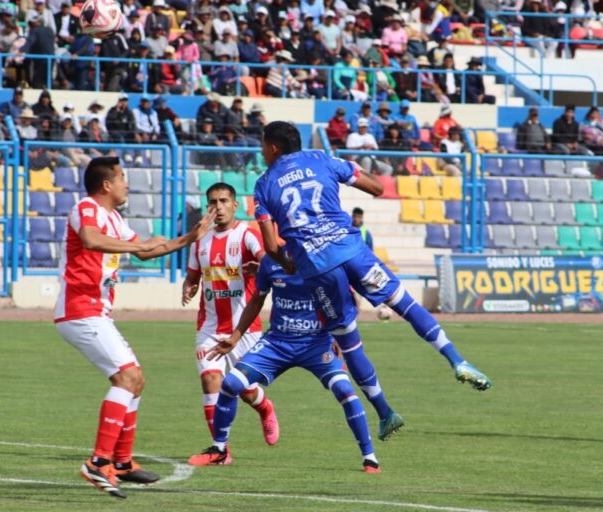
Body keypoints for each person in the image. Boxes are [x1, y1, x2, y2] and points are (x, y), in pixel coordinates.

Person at [253, 122, 491, 442]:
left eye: (262, 146)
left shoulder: (264, 184)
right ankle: (457, 360)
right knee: (405, 304)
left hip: (319, 268)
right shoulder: (323, 159)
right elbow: (377, 188)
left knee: (348, 342)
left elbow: (270, 246)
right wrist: (348, 170)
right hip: (354, 252)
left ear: (273, 148)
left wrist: (287, 262)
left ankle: (384, 412)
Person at [55, 156, 214, 499]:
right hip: (80, 311)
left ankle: (123, 463)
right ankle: (98, 463)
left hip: (95, 312)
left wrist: (189, 237)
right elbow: (91, 239)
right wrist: (139, 244)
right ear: (107, 184)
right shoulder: (87, 208)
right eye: (123, 178)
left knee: (135, 381)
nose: (128, 184)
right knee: (127, 378)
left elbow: (146, 251)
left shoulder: (113, 217)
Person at [188, 253, 381, 473]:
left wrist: (341, 335)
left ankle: (370, 457)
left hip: (316, 343)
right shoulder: (270, 263)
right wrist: (234, 338)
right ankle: (219, 448)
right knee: (231, 383)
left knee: (345, 390)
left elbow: (349, 302)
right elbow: (256, 300)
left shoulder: (326, 260)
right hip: (277, 342)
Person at [181, 183, 280, 446]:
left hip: (245, 328)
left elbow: (269, 261)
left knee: (244, 390)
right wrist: (188, 287)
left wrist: (259, 267)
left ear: (235, 205)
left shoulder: (247, 235)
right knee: (211, 380)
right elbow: (192, 277)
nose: (218, 207)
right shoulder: (200, 240)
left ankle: (265, 408)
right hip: (209, 327)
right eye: (212, 203)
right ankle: (220, 449)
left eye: (224, 201)